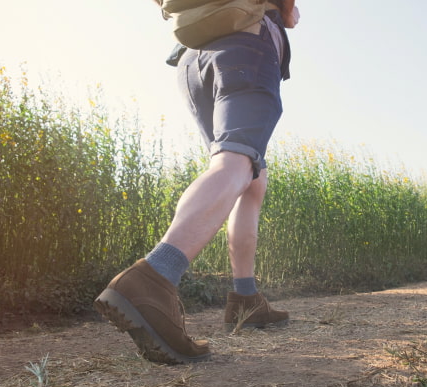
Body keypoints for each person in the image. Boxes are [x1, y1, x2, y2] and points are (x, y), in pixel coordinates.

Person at [94, 0, 300, 364]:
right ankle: (154, 275)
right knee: (236, 162)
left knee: (250, 176)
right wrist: (288, 12)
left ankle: (245, 299)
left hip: (191, 58)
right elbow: (288, 14)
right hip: (246, 42)